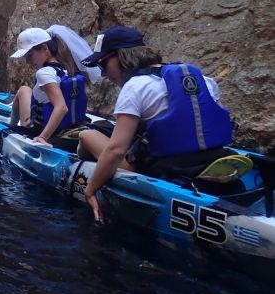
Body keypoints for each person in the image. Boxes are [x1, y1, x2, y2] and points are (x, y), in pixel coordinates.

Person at [78, 26, 232, 222]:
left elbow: (116, 150)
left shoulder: (135, 86)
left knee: (86, 135)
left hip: (166, 166)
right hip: (213, 156)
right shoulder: (202, 79)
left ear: (119, 57)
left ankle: (81, 160)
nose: (103, 74)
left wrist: (91, 190)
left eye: (102, 65)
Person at [8, 25, 99, 149]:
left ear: (45, 48)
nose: (27, 61)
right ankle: (10, 125)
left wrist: (43, 137)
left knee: (23, 91)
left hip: (45, 130)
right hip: (72, 126)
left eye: (30, 55)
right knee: (24, 90)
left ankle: (9, 128)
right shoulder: (66, 67)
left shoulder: (44, 73)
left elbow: (61, 108)